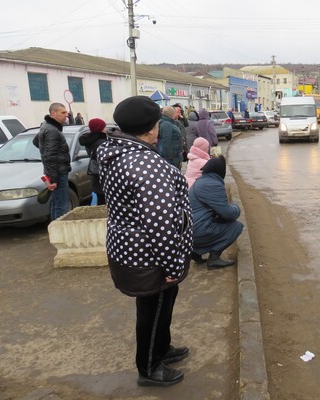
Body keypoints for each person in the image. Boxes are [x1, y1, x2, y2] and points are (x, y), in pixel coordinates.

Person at [97, 95, 193, 387]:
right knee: (152, 312)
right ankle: (150, 368)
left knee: (161, 306)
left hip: (130, 248)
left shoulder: (115, 149)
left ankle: (161, 349)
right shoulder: (146, 166)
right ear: (152, 128)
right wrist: (173, 264)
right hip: (150, 257)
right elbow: (160, 225)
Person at [189, 155, 243, 269]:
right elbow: (228, 214)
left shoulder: (200, 181)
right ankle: (214, 258)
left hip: (188, 230)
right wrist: (236, 207)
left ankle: (196, 253)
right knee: (235, 227)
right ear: (220, 171)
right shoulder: (212, 184)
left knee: (216, 221)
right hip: (197, 230)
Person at [32, 102, 71, 220]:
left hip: (54, 171)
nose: (66, 115)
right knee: (62, 205)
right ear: (53, 113)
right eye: (63, 113)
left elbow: (36, 141)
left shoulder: (47, 126)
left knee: (56, 203)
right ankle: (60, 234)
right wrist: (53, 179)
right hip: (58, 172)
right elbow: (50, 156)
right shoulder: (52, 130)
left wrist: (45, 148)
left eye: (66, 113)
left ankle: (54, 229)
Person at [78, 118, 107, 205]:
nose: (106, 129)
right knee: (105, 201)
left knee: (100, 198)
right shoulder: (102, 142)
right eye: (104, 127)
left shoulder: (90, 141)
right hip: (103, 173)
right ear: (100, 128)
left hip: (95, 174)